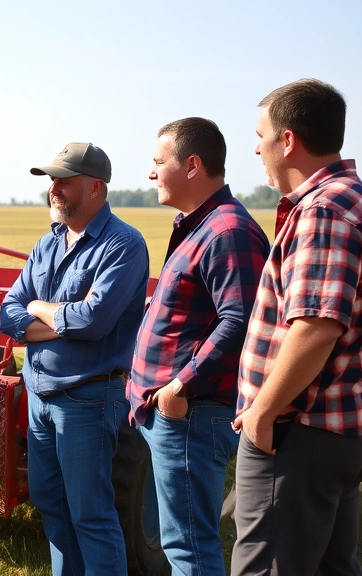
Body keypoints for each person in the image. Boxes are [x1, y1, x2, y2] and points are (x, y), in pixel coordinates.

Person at [233, 79, 362, 575]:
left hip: (299, 431)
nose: (256, 149)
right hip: (338, 427)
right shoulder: (356, 201)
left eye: (260, 136)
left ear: (287, 141)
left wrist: (262, 413)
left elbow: (315, 327)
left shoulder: (324, 210)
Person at [128, 118, 269, 575]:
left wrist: (179, 387)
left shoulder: (227, 230)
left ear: (192, 165)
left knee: (189, 546)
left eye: (159, 162)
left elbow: (240, 321)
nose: (151, 173)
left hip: (191, 413)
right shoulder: (200, 225)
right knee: (180, 542)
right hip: (175, 412)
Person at [0, 142, 149, 576]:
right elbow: (10, 312)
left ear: (96, 188)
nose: (54, 188)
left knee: (91, 514)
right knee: (51, 504)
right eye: (53, 181)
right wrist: (60, 317)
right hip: (39, 396)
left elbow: (93, 321)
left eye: (65, 181)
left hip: (88, 398)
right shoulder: (47, 243)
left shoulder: (123, 244)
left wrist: (39, 308)